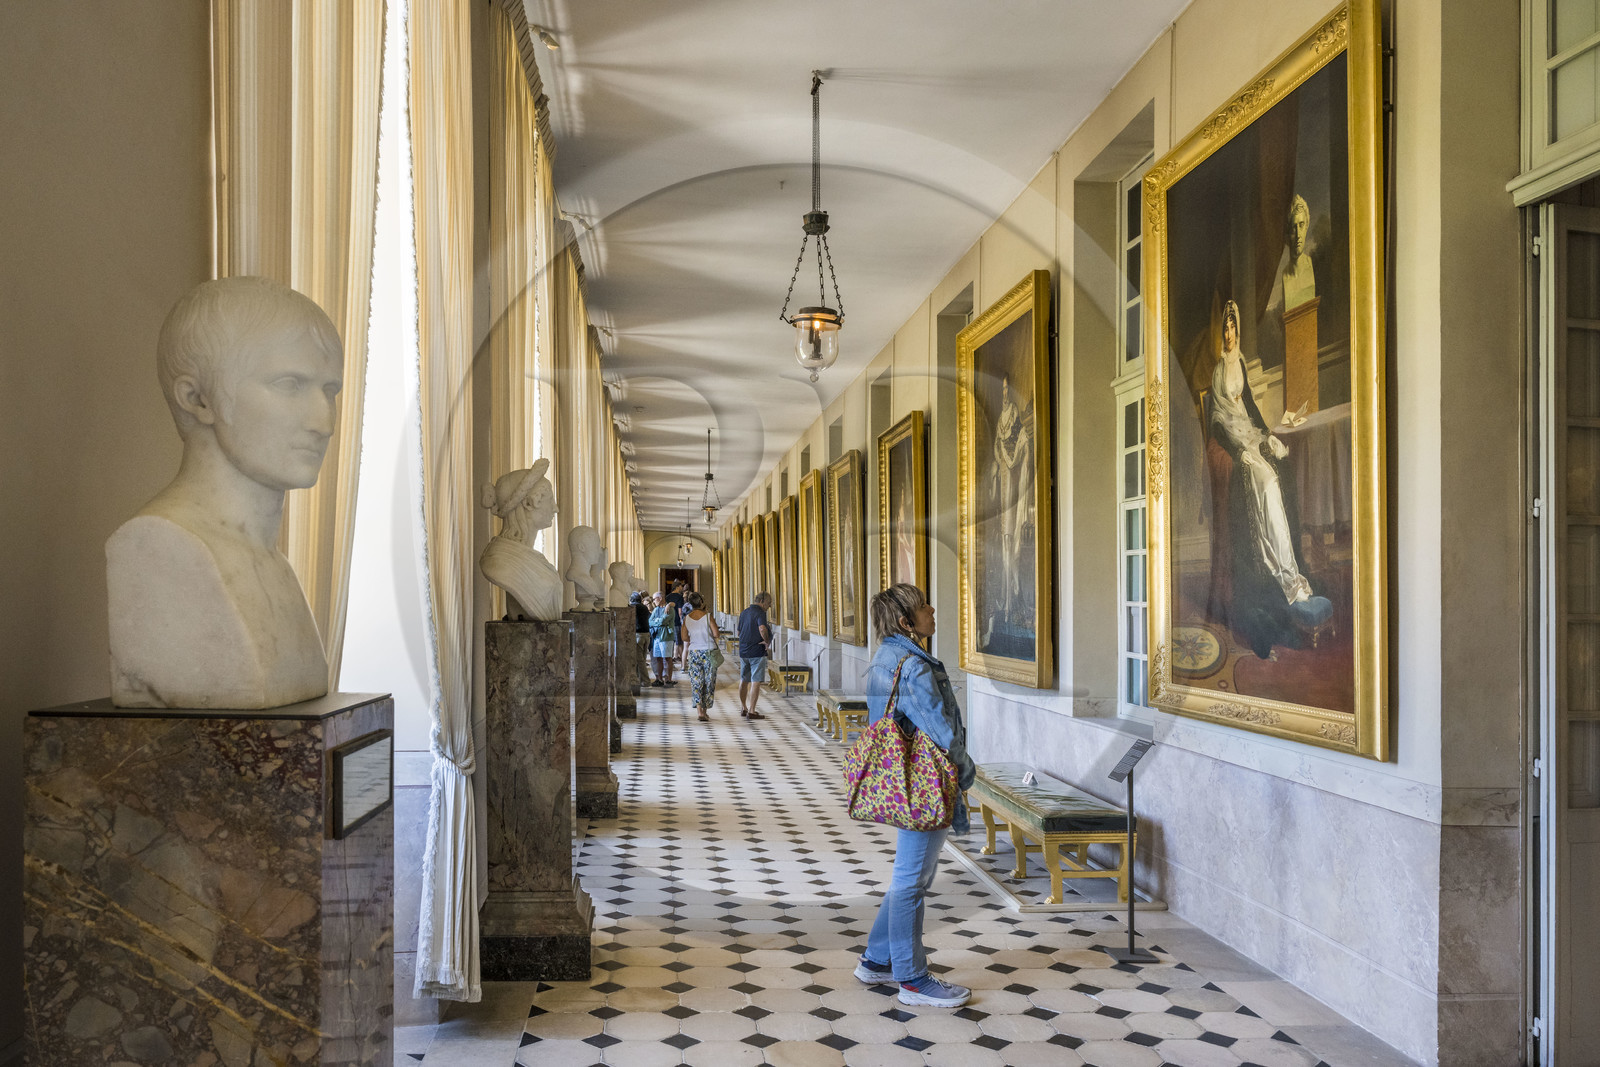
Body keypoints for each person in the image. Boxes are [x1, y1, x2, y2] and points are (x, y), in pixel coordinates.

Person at [107, 276, 341, 709]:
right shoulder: (158, 548)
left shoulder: (273, 565)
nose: (323, 422)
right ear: (198, 399)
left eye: (330, 391)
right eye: (289, 384)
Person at [854, 583, 976, 1008]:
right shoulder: (914, 667)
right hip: (924, 785)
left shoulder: (886, 656)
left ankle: (876, 959)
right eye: (924, 605)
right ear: (907, 622)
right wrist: (966, 770)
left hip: (900, 779)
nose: (932, 608)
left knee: (909, 877)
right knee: (912, 881)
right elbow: (941, 732)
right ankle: (912, 979)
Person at [1207, 298, 1332, 657]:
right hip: (1233, 434)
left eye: (1233, 327)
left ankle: (1292, 572)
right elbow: (1218, 418)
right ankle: (1279, 571)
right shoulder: (1218, 370)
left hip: (1246, 429)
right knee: (1266, 483)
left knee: (1279, 473)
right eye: (1226, 328)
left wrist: (1268, 435)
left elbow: (1247, 407)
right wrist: (1237, 451)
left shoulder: (1240, 361)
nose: (1230, 334)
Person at [478, 461, 561, 622]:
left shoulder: (534, 559)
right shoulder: (498, 561)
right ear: (528, 503)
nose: (555, 508)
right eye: (550, 500)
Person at [678, 591, 722, 722]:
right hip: (708, 652)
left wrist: (695, 638)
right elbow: (716, 634)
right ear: (701, 602)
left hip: (694, 652)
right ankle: (705, 710)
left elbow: (684, 637)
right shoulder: (708, 617)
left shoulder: (687, 618)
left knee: (697, 682)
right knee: (708, 682)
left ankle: (699, 712)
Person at [736, 592, 774, 721]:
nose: (769, 606)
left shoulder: (744, 612)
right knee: (755, 680)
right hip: (757, 651)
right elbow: (762, 628)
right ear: (762, 601)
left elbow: (739, 631)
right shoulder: (760, 613)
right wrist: (767, 641)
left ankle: (743, 707)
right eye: (769, 603)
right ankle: (752, 710)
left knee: (743, 679)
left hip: (744, 651)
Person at [648, 592, 679, 685]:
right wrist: (658, 621)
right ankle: (660, 679)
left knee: (667, 658)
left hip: (666, 637)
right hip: (657, 636)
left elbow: (663, 621)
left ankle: (668, 679)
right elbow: (650, 621)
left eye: (654, 599)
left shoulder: (670, 609)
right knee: (658, 658)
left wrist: (656, 621)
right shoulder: (656, 609)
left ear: (660, 598)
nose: (653, 601)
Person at [631, 590, 652, 687]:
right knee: (642, 659)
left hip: (638, 635)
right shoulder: (644, 607)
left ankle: (646, 681)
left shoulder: (633, 607)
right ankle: (639, 679)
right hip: (646, 634)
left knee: (640, 661)